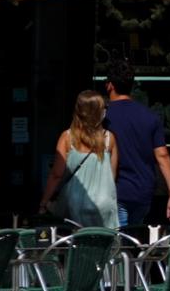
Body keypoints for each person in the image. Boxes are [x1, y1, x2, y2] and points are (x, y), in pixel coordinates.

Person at [104, 59, 170, 227]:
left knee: (119, 245)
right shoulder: (150, 116)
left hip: (116, 191)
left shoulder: (104, 117)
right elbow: (162, 155)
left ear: (109, 85)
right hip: (143, 192)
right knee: (133, 240)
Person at [39, 90, 120, 229]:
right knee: (105, 244)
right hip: (104, 203)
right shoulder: (109, 138)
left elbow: (56, 175)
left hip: (74, 203)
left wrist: (44, 202)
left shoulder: (67, 138)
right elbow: (111, 175)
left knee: (76, 244)